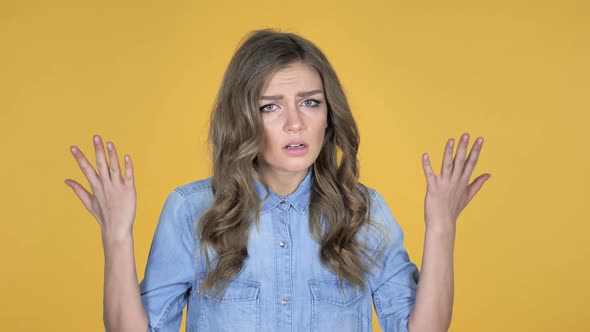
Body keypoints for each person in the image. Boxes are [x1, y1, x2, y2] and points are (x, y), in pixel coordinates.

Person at [65, 29, 491, 332]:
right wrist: (117, 235)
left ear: (329, 116)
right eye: (270, 107)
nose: (295, 123)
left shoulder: (364, 212)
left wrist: (441, 226)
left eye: (310, 102)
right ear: (244, 119)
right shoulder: (191, 210)